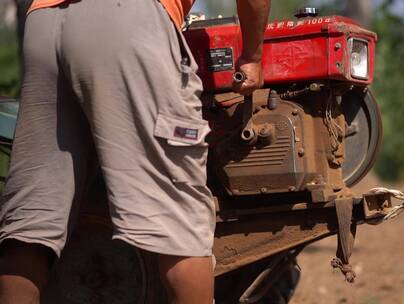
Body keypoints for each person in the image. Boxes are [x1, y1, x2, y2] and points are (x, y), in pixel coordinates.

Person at [0, 0, 270, 303]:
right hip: (127, 17)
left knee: (31, 223)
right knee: (178, 217)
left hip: (44, 24)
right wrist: (253, 54)